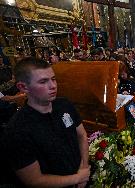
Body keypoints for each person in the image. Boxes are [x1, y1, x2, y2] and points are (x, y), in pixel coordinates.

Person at [1, 57, 90, 187]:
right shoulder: (17, 130)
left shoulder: (64, 105)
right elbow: (34, 180)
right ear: (23, 87)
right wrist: (77, 178)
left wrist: (84, 167)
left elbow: (81, 135)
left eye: (53, 79)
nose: (53, 86)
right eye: (43, 82)